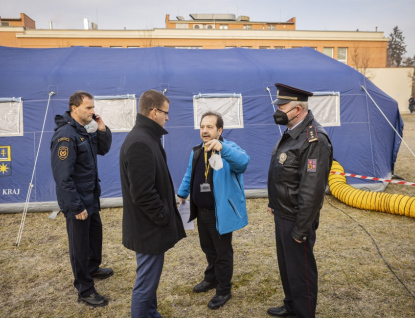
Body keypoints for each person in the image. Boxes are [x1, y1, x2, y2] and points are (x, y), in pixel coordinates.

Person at [267, 83, 333, 318]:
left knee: (301, 272)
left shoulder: (314, 140)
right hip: (283, 214)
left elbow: (312, 192)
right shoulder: (291, 132)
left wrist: (301, 229)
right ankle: (291, 305)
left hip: (297, 218)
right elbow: (283, 174)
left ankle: (304, 313)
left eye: (282, 106)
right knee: (287, 267)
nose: (278, 109)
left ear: (297, 109)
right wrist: (273, 203)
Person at [120, 90, 186, 317]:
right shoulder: (140, 142)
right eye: (166, 113)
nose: (168, 118)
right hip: (148, 229)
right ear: (154, 111)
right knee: (145, 285)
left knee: (149, 281)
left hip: (148, 227)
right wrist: (164, 216)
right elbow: (142, 194)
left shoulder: (147, 137)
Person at [177, 111, 250, 310]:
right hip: (202, 212)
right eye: (202, 127)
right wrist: (182, 194)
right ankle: (211, 278)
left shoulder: (228, 148)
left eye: (209, 127)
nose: (205, 131)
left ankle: (224, 289)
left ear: (220, 130)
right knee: (208, 248)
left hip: (220, 213)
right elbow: (189, 174)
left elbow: (243, 162)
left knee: (222, 252)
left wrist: (223, 148)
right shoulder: (197, 151)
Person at [50, 91, 113, 307]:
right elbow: (62, 178)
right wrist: (76, 206)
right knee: (79, 246)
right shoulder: (66, 136)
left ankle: (93, 268)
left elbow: (103, 149)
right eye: (88, 108)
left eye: (93, 107)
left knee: (94, 237)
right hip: (78, 201)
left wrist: (102, 128)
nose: (93, 111)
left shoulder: (84, 131)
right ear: (74, 108)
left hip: (91, 197)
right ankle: (85, 289)